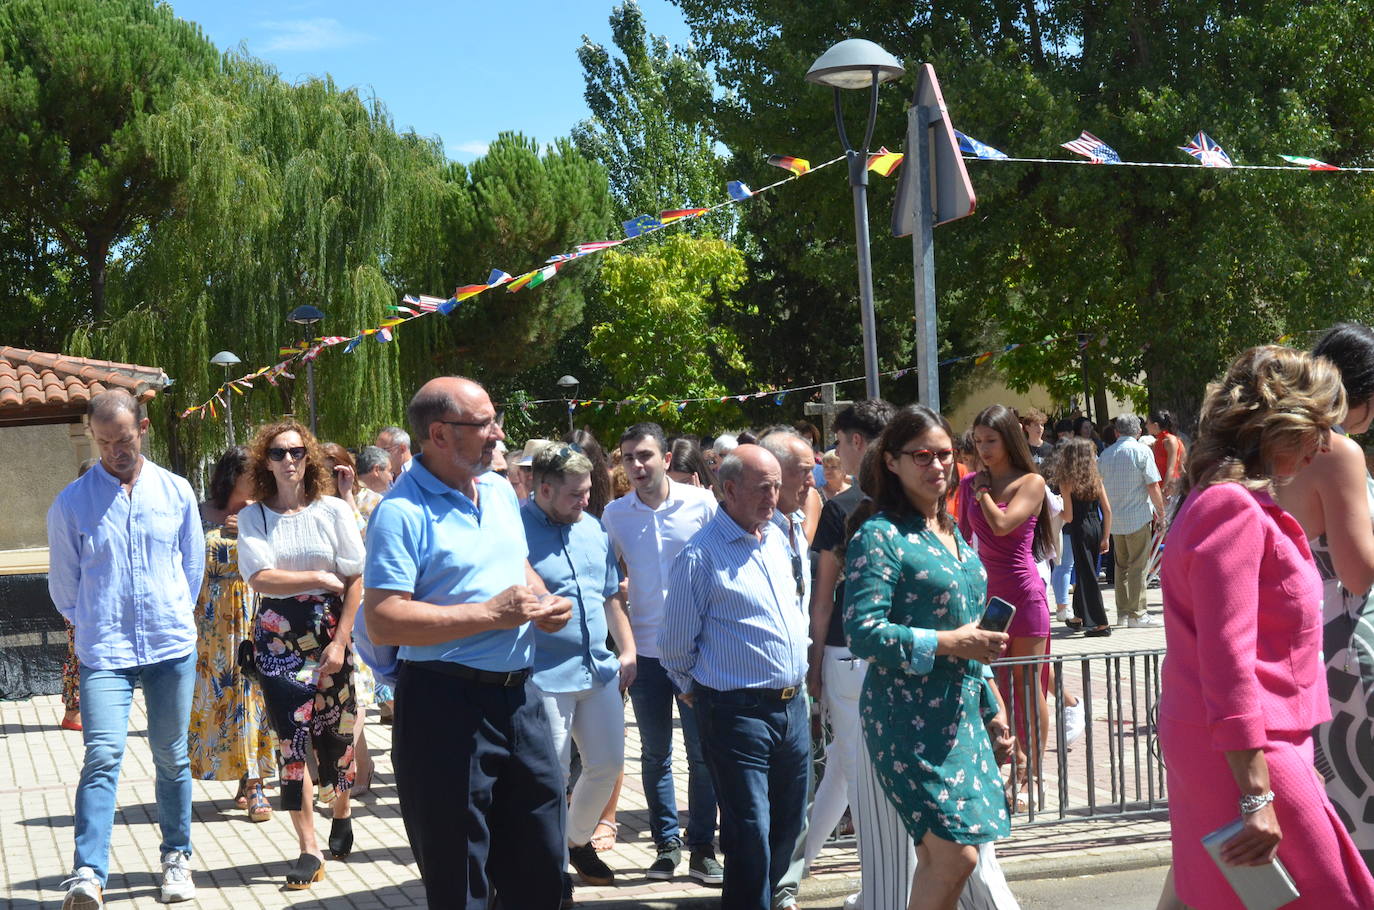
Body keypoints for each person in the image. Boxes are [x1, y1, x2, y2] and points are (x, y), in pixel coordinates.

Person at [1159, 344, 1374, 909]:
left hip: (1250, 743)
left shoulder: (1221, 499)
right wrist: (1256, 794)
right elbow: (1227, 659)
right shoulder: (1230, 507)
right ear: (1284, 427)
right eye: (1319, 427)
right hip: (1250, 750)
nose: (1326, 444)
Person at [363, 377, 573, 908]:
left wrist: (541, 600)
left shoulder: (501, 491)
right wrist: (489, 614)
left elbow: (516, 566)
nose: (498, 434)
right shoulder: (400, 512)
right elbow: (384, 619)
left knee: (544, 868)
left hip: (520, 699)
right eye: (483, 425)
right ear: (439, 434)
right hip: (445, 707)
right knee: (461, 880)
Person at [845, 405, 1015, 910]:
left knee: (955, 857)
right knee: (953, 857)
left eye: (945, 454)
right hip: (906, 716)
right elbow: (863, 632)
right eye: (922, 455)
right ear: (892, 462)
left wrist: (993, 704)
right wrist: (948, 643)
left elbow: (975, 633)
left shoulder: (953, 532)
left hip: (959, 712)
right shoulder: (880, 535)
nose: (937, 466)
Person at [47, 390, 204, 908]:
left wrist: (171, 612)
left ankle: (176, 857)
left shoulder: (177, 492)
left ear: (144, 427)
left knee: (172, 757)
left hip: (169, 644)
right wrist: (95, 621)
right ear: (94, 436)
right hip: (104, 651)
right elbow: (64, 588)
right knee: (103, 755)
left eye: (125, 438)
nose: (117, 449)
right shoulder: (72, 503)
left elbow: (192, 569)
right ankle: (88, 873)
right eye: (106, 441)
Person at [661, 445, 812, 910]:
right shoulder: (700, 556)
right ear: (729, 490)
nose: (775, 495)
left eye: (776, 485)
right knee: (750, 830)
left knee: (788, 822)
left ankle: (769, 898)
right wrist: (695, 691)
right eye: (763, 487)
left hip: (792, 706)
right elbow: (674, 646)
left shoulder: (776, 537)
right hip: (736, 711)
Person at [238, 419, 365, 889]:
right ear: (264, 462)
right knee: (292, 739)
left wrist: (341, 640)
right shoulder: (255, 516)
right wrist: (318, 577)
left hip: (331, 630)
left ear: (307, 457)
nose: (287, 460)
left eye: (295, 452)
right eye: (277, 453)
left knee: (337, 732)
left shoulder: (332, 510)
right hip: (277, 639)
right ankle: (307, 848)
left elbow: (354, 578)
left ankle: (343, 806)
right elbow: (259, 576)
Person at [601, 422, 723, 884]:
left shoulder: (702, 505)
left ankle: (702, 849)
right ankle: (665, 846)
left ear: (666, 458)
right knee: (654, 755)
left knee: (702, 754)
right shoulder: (615, 515)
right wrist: (624, 645)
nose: (637, 465)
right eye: (629, 457)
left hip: (697, 653)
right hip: (647, 655)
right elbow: (606, 584)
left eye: (645, 455)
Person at [1274, 324, 1374, 870]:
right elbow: (1358, 574)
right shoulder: (1337, 451)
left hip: (1284, 642)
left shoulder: (1266, 442)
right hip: (1343, 646)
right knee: (1357, 827)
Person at [521, 442, 636, 896]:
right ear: (544, 489)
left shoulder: (593, 529)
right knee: (549, 776)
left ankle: (572, 841)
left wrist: (628, 650)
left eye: (588, 491)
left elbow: (610, 595)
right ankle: (546, 868)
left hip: (599, 671)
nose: (585, 501)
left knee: (606, 765)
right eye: (576, 494)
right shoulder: (514, 532)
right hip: (544, 676)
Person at [801, 400, 895, 897]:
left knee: (859, 778)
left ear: (858, 442)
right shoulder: (910, 502)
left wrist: (815, 661)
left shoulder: (844, 508)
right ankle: (793, 870)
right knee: (843, 766)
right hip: (889, 652)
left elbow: (822, 599)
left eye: (838, 442)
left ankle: (879, 888)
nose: (836, 451)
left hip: (849, 652)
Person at [959, 404, 1054, 809]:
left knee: (1030, 688)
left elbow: (1001, 525)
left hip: (1025, 596)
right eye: (978, 442)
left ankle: (1032, 774)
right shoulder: (969, 488)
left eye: (991, 441)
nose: (983, 449)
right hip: (989, 599)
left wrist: (981, 493)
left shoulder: (1030, 482)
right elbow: (961, 541)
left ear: (1009, 440)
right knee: (993, 691)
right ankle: (1005, 765)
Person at [189, 447, 275, 822]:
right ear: (231, 476)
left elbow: (282, 560)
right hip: (210, 627)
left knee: (252, 698)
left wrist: (252, 537)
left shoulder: (262, 513)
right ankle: (239, 773)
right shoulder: (199, 513)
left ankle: (255, 783)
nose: (258, 482)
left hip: (255, 618)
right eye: (251, 474)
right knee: (222, 703)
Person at [1097, 415, 1165, 627]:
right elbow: (1153, 485)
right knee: (1138, 566)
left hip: (1115, 519)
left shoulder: (1105, 455)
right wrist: (1162, 513)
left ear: (1117, 432)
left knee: (1121, 567)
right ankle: (1138, 614)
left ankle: (1123, 613)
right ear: (1138, 432)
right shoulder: (1142, 451)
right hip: (1138, 516)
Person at [1053, 439, 1113, 637]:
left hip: (1080, 528)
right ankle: (1079, 617)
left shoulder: (1067, 481)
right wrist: (1105, 537)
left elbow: (1068, 516)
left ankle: (1101, 623)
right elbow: (1107, 509)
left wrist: (1053, 511)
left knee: (1086, 576)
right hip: (1096, 526)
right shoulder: (1095, 479)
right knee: (1085, 571)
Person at [1145, 411, 1185, 499]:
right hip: (1162, 488)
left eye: (1147, 423)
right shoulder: (1158, 442)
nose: (1146, 426)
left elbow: (1171, 468)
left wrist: (1162, 492)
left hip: (1170, 489)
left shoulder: (1170, 440)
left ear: (1155, 425)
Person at [353, 444, 393, 524]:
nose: (391, 478)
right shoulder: (378, 502)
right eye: (389, 471)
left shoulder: (340, 490)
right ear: (376, 470)